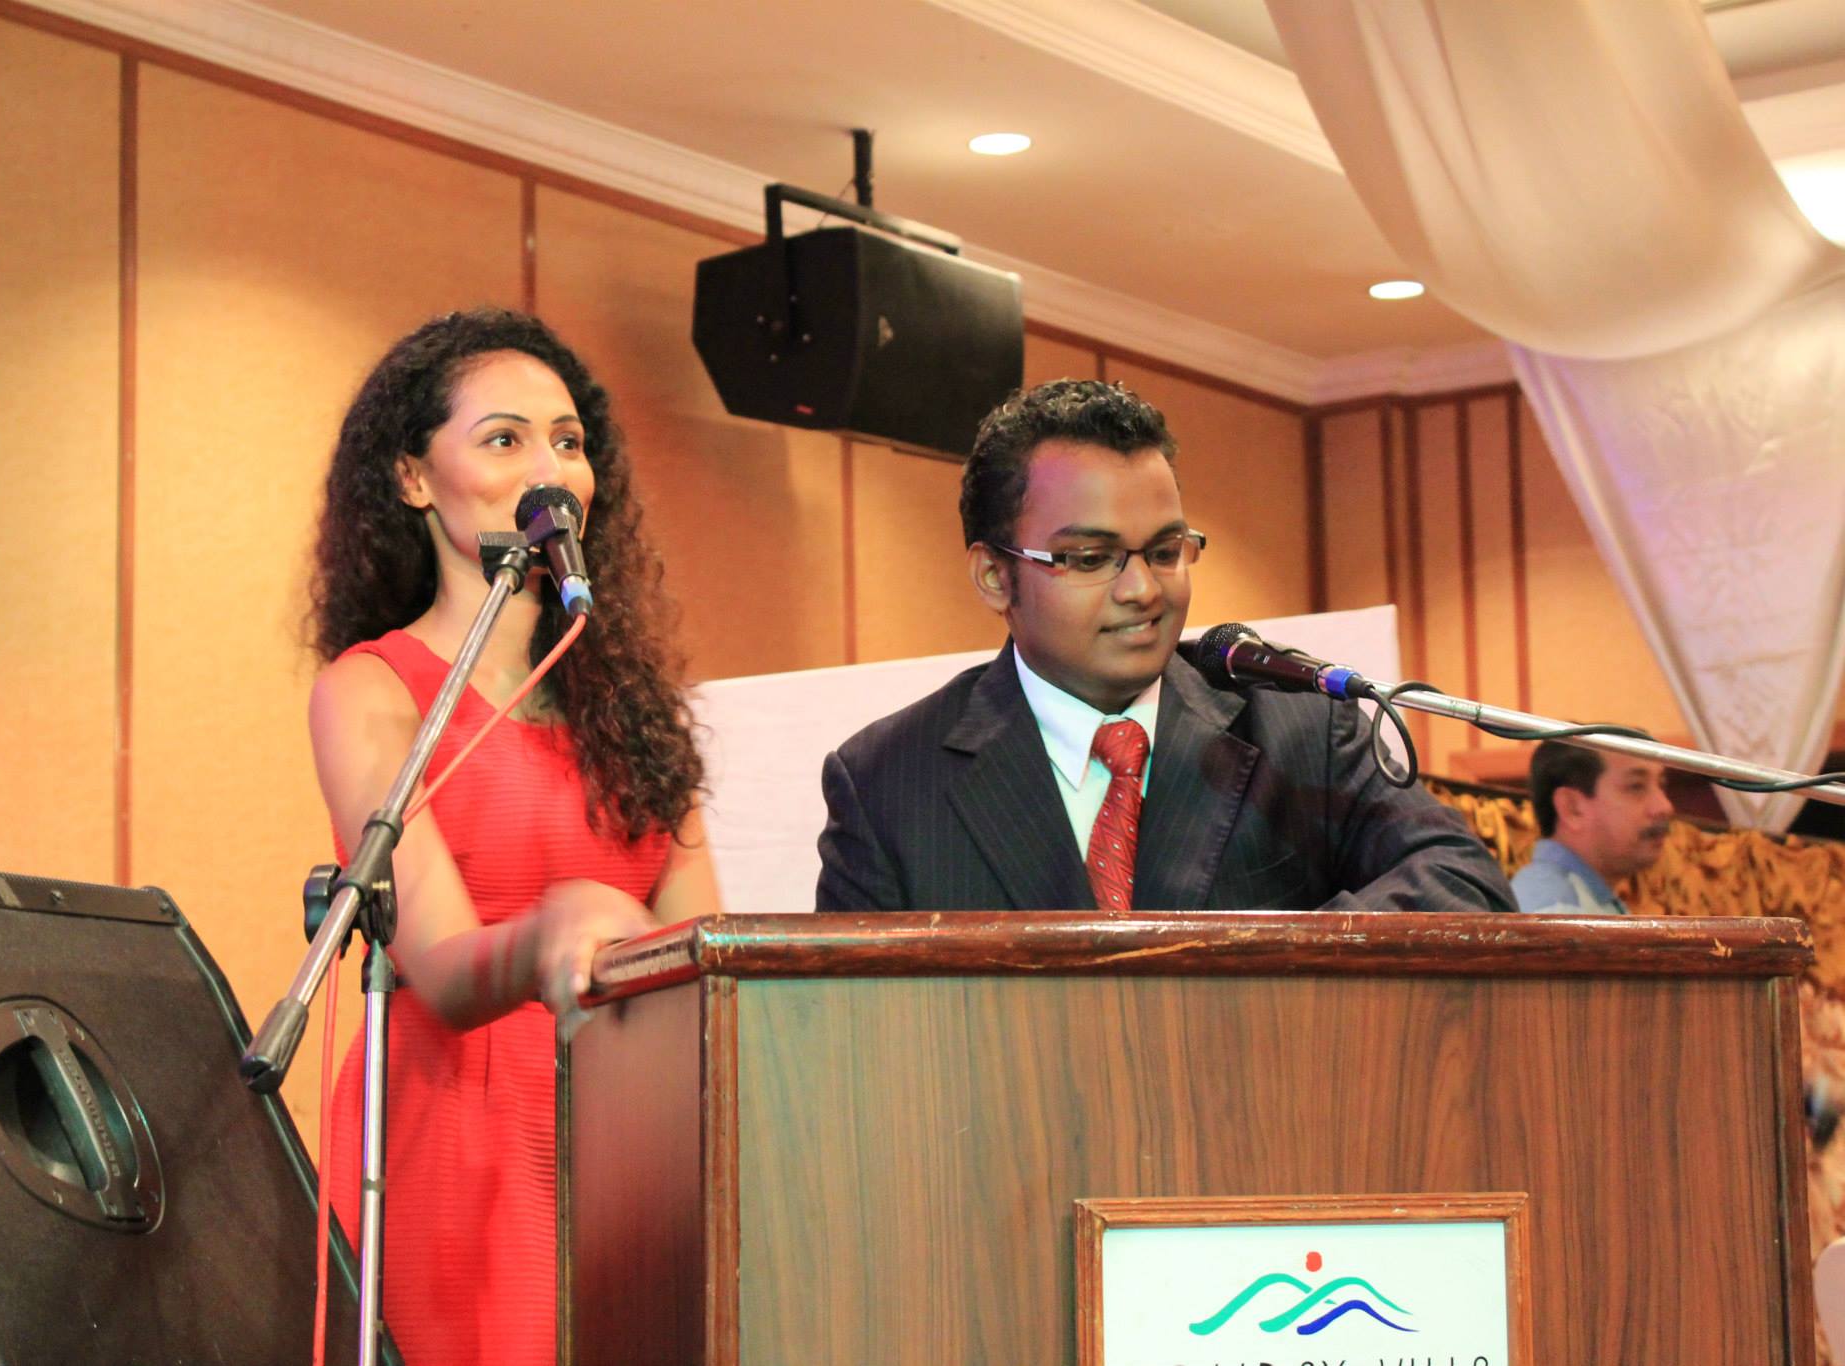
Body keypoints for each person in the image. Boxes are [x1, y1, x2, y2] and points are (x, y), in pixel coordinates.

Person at [307, 308, 719, 1366]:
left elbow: (702, 956)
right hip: (458, 1129)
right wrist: (554, 930)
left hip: (629, 1129)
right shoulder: (373, 688)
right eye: (504, 439)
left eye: (569, 443)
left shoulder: (634, 712)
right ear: (412, 478)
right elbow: (442, 969)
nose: (550, 471)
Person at [815, 378, 1513, 915]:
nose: (1143, 590)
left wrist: (1283, 966)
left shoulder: (1301, 728)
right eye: (1091, 558)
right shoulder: (887, 780)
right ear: (995, 577)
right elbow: (852, 1027)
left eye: (1165, 551)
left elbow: (1464, 880)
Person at [1511, 740, 1672, 914]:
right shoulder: (1556, 911)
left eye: (1661, 785)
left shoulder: (1581, 899)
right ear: (1572, 808)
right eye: (1636, 786)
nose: (1665, 806)